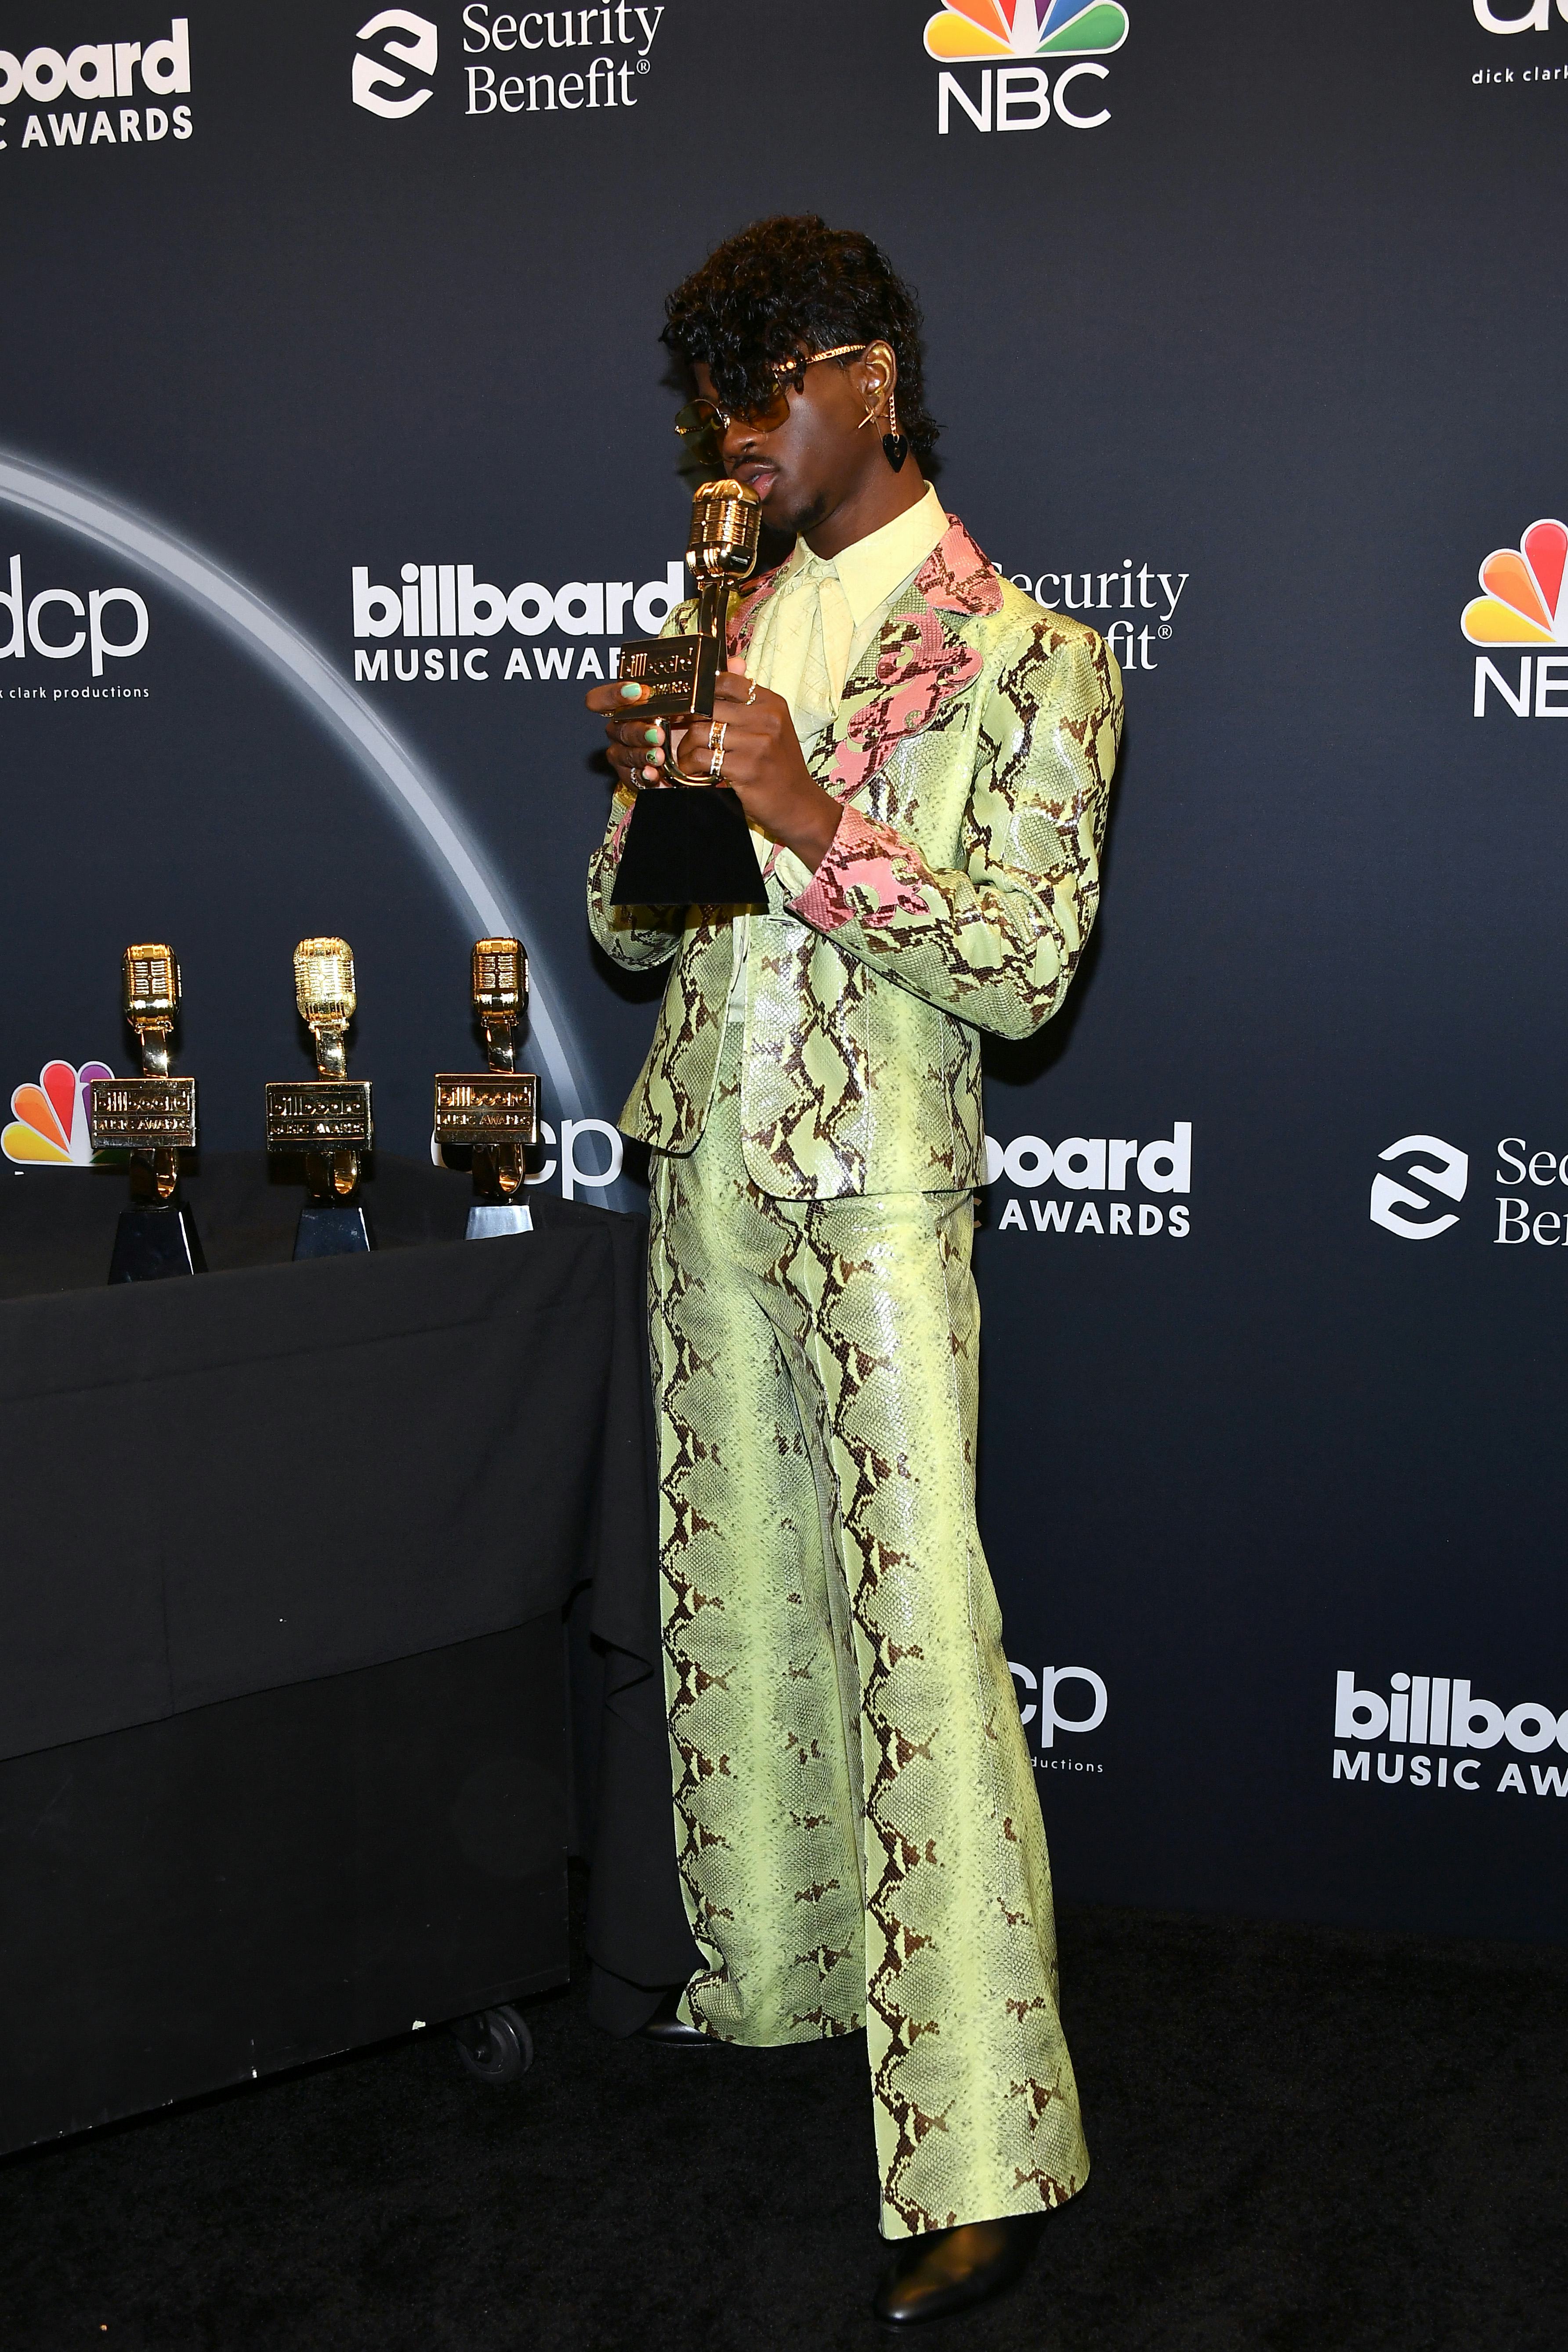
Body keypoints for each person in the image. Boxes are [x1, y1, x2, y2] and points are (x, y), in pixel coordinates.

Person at [585, 215, 1121, 2328]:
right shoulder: (713, 617)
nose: (729, 437)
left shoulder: (1026, 652)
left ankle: (985, 2151)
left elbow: (1021, 963)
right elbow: (631, 933)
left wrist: (806, 809)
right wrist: (653, 804)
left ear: (867, 382)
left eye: (762, 392)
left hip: (877, 1186)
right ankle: (784, 1975)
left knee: (917, 1644)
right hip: (706, 1176)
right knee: (731, 1601)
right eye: (706, 404)